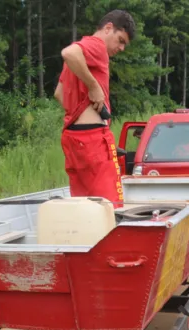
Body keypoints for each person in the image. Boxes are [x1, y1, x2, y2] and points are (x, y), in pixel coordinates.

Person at [53, 10, 135, 208]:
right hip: (92, 139)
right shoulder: (96, 46)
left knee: (85, 207)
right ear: (108, 28)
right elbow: (68, 52)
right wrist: (93, 86)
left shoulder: (78, 60)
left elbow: (59, 93)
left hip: (73, 139)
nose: (122, 48)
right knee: (109, 206)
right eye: (120, 40)